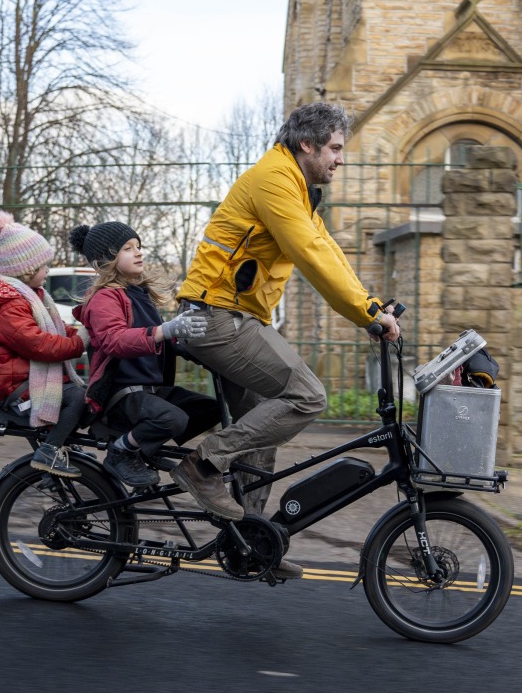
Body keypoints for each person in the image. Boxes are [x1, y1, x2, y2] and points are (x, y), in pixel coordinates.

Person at [171, 102, 401, 528]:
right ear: (306, 144)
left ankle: (251, 537)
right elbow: (309, 254)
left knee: (263, 429)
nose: (340, 158)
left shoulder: (295, 187)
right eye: (334, 148)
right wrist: (365, 314)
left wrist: (371, 304)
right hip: (216, 317)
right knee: (307, 395)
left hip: (236, 316)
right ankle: (203, 465)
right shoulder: (274, 180)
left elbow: (327, 248)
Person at [69, 221, 219, 490]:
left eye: (139, 247)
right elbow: (115, 341)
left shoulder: (138, 295)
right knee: (172, 419)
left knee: (211, 409)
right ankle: (121, 451)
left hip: (151, 391)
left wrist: (198, 348)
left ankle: (144, 446)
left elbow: (166, 340)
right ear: (106, 259)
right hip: (122, 394)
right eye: (128, 248)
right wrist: (164, 330)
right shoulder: (104, 298)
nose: (138, 252)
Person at [0, 210, 89, 478]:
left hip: (31, 382)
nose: (47, 270)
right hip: (20, 390)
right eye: (44, 265)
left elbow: (60, 330)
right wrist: (80, 342)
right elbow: (41, 346)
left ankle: (61, 447)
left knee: (92, 393)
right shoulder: (9, 306)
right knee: (79, 396)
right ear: (26, 269)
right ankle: (50, 451)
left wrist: (87, 334)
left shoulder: (33, 297)